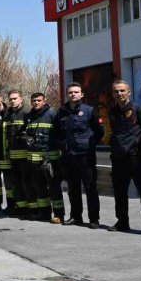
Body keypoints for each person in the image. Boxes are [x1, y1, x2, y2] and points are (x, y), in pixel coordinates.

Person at [108, 80, 141, 235]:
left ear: (129, 92)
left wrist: (140, 149)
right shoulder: (112, 111)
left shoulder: (138, 110)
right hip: (118, 158)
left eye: (122, 91)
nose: (119, 94)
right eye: (116, 91)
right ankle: (122, 221)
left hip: (137, 158)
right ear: (113, 94)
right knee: (120, 192)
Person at [55, 82, 104, 228]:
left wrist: (87, 145)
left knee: (90, 188)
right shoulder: (61, 112)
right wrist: (62, 146)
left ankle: (94, 219)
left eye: (76, 92)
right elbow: (57, 132)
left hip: (85, 156)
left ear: (81, 94)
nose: (73, 94)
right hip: (69, 156)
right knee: (73, 188)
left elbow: (99, 132)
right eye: (70, 92)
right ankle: (76, 216)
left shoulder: (89, 111)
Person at [22, 92, 64, 223]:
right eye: (34, 100)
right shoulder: (28, 117)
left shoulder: (53, 115)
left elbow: (60, 135)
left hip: (50, 160)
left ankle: (59, 215)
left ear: (44, 101)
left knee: (54, 188)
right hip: (34, 161)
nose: (36, 103)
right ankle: (44, 213)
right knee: (38, 187)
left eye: (39, 100)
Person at [4, 90, 28, 215]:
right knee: (16, 183)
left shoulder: (26, 113)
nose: (12, 101)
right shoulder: (9, 115)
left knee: (25, 183)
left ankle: (27, 208)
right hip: (13, 156)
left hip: (24, 156)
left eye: (15, 98)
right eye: (11, 99)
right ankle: (20, 207)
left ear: (21, 99)